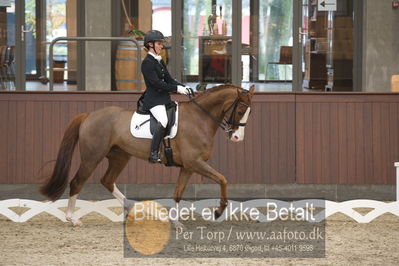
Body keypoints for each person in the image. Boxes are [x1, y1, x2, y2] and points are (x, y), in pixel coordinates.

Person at [140, 30, 192, 163]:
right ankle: (153, 153)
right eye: (159, 43)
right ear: (150, 45)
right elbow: (157, 84)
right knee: (163, 120)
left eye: (161, 43)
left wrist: (183, 87)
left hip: (164, 99)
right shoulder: (147, 63)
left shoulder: (158, 60)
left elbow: (169, 79)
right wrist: (176, 89)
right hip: (153, 100)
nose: (161, 46)